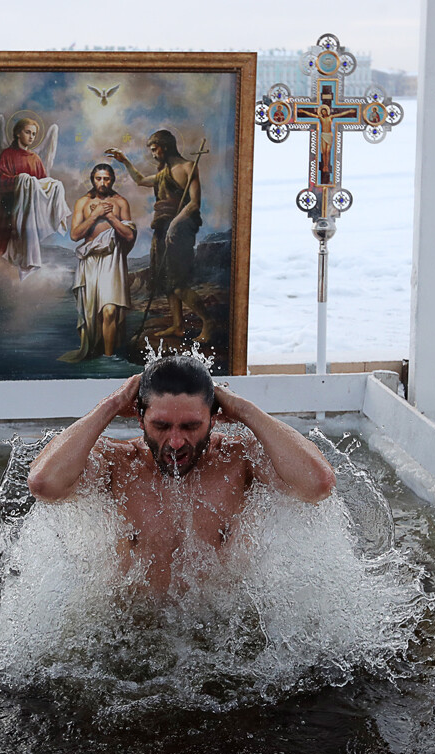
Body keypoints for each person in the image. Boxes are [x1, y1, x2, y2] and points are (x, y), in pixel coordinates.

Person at [27, 356, 337, 594]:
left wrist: (245, 410)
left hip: (218, 631)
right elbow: (44, 484)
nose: (176, 442)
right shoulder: (118, 462)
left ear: (214, 419)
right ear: (139, 418)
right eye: (161, 426)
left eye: (190, 426)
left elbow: (318, 484)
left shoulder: (238, 459)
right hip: (133, 629)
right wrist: (110, 405)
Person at [106, 130, 214, 343]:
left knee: (178, 282)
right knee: (166, 281)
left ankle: (208, 322)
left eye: (155, 149)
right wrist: (125, 161)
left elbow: (194, 203)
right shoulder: (164, 173)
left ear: (166, 146)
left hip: (180, 229)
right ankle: (177, 325)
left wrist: (174, 223)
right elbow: (140, 180)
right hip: (162, 229)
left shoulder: (188, 167)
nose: (154, 154)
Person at [60, 164, 136, 362]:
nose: (103, 183)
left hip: (113, 259)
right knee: (92, 315)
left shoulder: (120, 202)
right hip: (90, 261)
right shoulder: (83, 203)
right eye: (98, 179)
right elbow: (75, 235)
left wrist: (109, 216)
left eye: (107, 179)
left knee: (110, 310)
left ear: (112, 180)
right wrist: (95, 215)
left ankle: (108, 358)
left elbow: (129, 235)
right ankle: (95, 350)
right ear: (92, 179)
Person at [0, 117, 70, 274]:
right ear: (17, 133)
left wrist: (53, 187)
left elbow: (43, 183)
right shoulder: (7, 154)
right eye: (28, 132)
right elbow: (1, 180)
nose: (31, 137)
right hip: (10, 208)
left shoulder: (35, 159)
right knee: (6, 249)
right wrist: (21, 180)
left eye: (34, 134)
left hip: (30, 208)